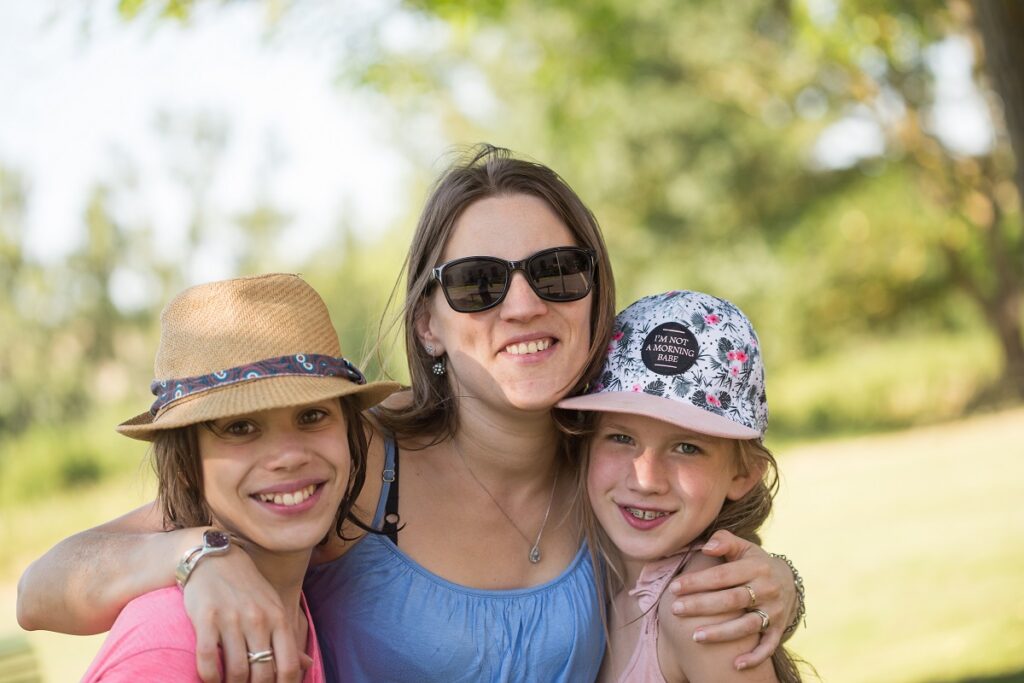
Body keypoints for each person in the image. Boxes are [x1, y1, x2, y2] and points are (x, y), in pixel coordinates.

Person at [17, 145, 803, 683]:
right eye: (477, 282)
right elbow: (42, 587)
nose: (523, 304)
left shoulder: (613, 470)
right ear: (428, 322)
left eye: (558, 272)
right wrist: (197, 556)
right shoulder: (350, 455)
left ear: (595, 295)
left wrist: (783, 585)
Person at [81, 273, 399, 681]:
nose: (287, 456)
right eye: (240, 428)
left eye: (312, 415)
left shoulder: (298, 604)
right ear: (186, 467)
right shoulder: (169, 642)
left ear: (351, 438)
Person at [559, 290, 804, 682]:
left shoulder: (699, 607)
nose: (645, 479)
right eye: (621, 438)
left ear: (743, 474)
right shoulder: (601, 577)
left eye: (687, 447)